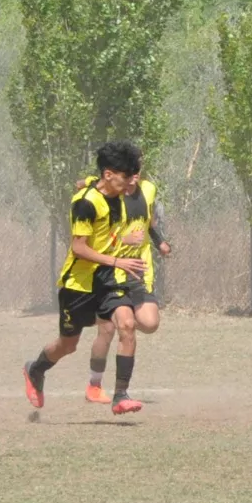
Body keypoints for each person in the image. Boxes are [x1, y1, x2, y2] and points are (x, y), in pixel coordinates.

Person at [23, 142, 148, 415]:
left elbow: (88, 182)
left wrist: (121, 244)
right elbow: (79, 247)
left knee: (127, 325)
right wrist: (118, 260)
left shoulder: (106, 186)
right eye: (126, 177)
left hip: (107, 279)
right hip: (78, 284)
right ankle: (35, 369)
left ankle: (120, 396)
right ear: (109, 175)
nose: (130, 184)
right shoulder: (85, 204)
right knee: (67, 345)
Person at [79, 173, 171, 404]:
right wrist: (123, 240)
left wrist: (159, 241)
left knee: (150, 323)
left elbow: (149, 224)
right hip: (110, 274)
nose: (133, 175)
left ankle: (121, 324)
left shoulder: (148, 190)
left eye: (137, 169)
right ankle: (96, 384)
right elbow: (97, 234)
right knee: (110, 330)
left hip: (138, 274)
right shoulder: (106, 192)